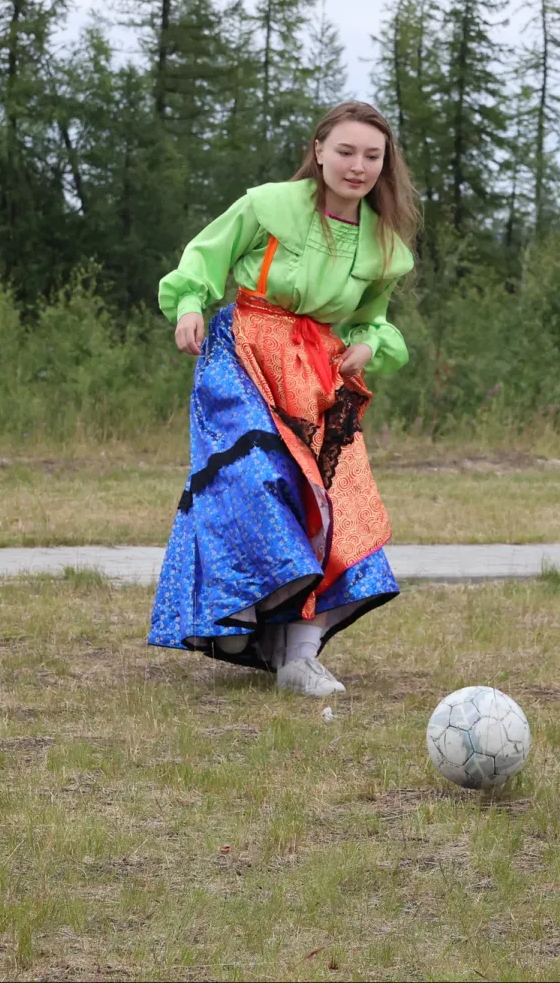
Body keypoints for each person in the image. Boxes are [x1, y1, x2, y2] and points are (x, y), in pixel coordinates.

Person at [148, 101, 418, 698]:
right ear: (319, 151)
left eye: (372, 156)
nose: (357, 166)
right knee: (257, 476)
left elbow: (374, 323)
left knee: (333, 500)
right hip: (244, 352)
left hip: (317, 373)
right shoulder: (268, 205)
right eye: (345, 151)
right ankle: (242, 616)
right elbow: (205, 256)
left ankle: (299, 653)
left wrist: (369, 346)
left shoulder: (383, 246)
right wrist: (189, 304)